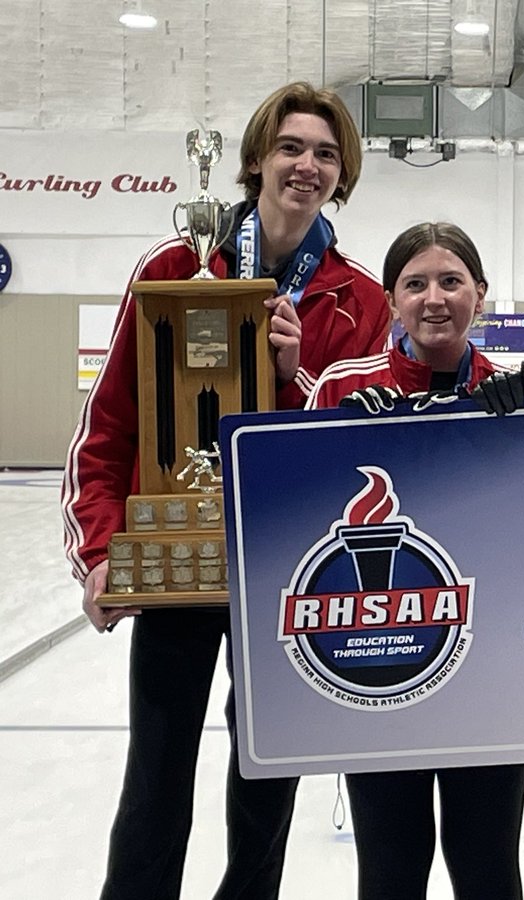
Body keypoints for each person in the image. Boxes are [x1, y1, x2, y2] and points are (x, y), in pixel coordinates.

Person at [61, 82, 392, 899]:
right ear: (254, 161)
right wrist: (101, 553)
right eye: (290, 148)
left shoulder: (361, 300)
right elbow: (108, 431)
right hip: (178, 567)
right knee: (155, 783)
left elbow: (358, 453)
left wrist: (292, 376)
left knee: (266, 790)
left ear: (341, 172)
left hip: (281, 577)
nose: (306, 167)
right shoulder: (176, 268)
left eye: (324, 153)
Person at [306, 222, 524, 899]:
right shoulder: (345, 384)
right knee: (392, 866)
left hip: (491, 676)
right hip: (383, 665)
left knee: (488, 864)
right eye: (416, 284)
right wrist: (338, 435)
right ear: (391, 299)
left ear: (480, 295)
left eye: (452, 281)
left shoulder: (518, 389)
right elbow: (298, 521)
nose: (435, 298)